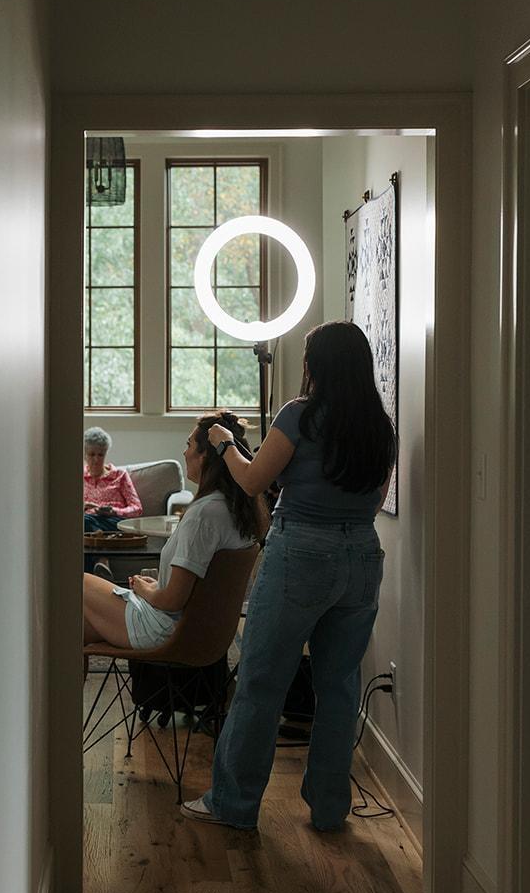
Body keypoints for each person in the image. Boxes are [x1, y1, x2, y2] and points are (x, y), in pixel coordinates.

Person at [179, 321, 396, 834]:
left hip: (301, 552)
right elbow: (375, 498)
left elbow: (254, 480)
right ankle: (329, 807)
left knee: (261, 680)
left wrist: (225, 443)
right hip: (362, 554)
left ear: (316, 365)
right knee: (339, 687)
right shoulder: (380, 426)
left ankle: (233, 804)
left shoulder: (300, 414)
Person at [82, 412, 258, 651]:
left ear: (204, 455)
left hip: (162, 628)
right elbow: (188, 588)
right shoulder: (233, 508)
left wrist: (144, 589)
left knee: (76, 582)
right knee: (78, 625)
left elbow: (172, 601)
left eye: (189, 445)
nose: (184, 452)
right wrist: (157, 586)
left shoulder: (203, 515)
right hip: (199, 628)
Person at [82, 426, 141, 532]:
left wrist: (113, 511)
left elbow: (137, 508)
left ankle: (98, 535)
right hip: (87, 520)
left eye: (100, 455)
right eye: (91, 454)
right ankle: (98, 535)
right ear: (85, 455)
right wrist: (84, 506)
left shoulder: (119, 475)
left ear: (106, 454)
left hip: (113, 521)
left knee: (85, 522)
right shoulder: (78, 477)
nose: (96, 459)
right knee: (83, 521)